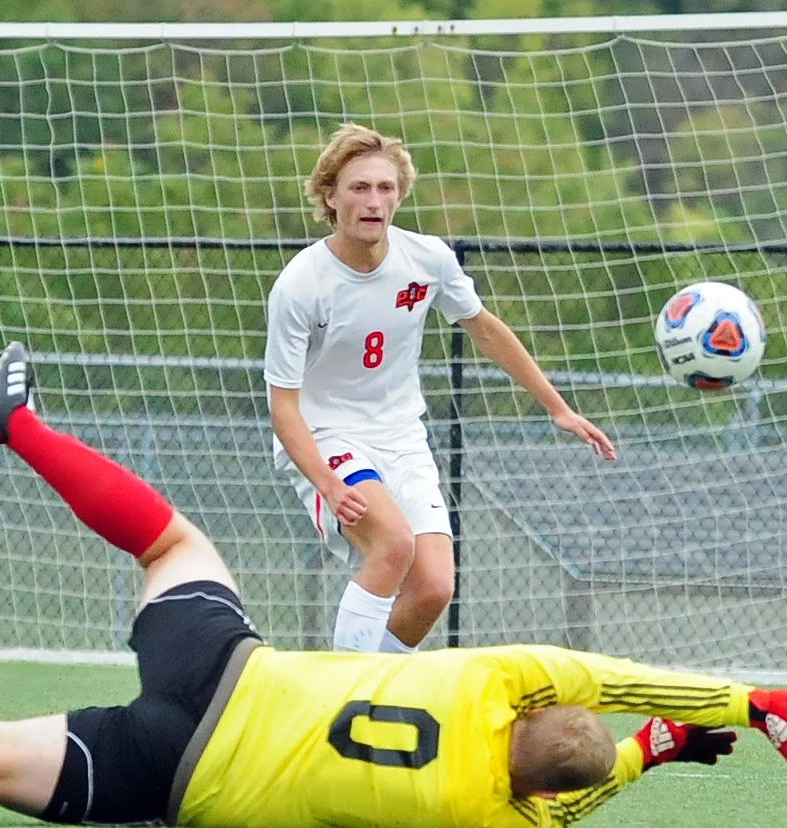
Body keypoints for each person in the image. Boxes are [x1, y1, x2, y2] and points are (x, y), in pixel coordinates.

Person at [0, 343, 787, 828]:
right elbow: (564, 800)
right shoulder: (495, 815)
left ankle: (17, 422)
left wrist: (747, 702)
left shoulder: (500, 678)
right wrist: (650, 755)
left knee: (173, 544)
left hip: (226, 671)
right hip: (176, 776)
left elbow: (617, 678)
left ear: (530, 706)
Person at [265, 123, 618, 654]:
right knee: (392, 545)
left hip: (402, 437)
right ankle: (341, 694)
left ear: (399, 196)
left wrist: (558, 408)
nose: (374, 200)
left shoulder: (427, 259)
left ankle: (373, 687)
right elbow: (283, 407)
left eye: (386, 188)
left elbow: (484, 328)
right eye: (359, 187)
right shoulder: (300, 286)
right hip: (325, 437)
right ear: (330, 196)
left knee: (433, 588)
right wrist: (329, 485)